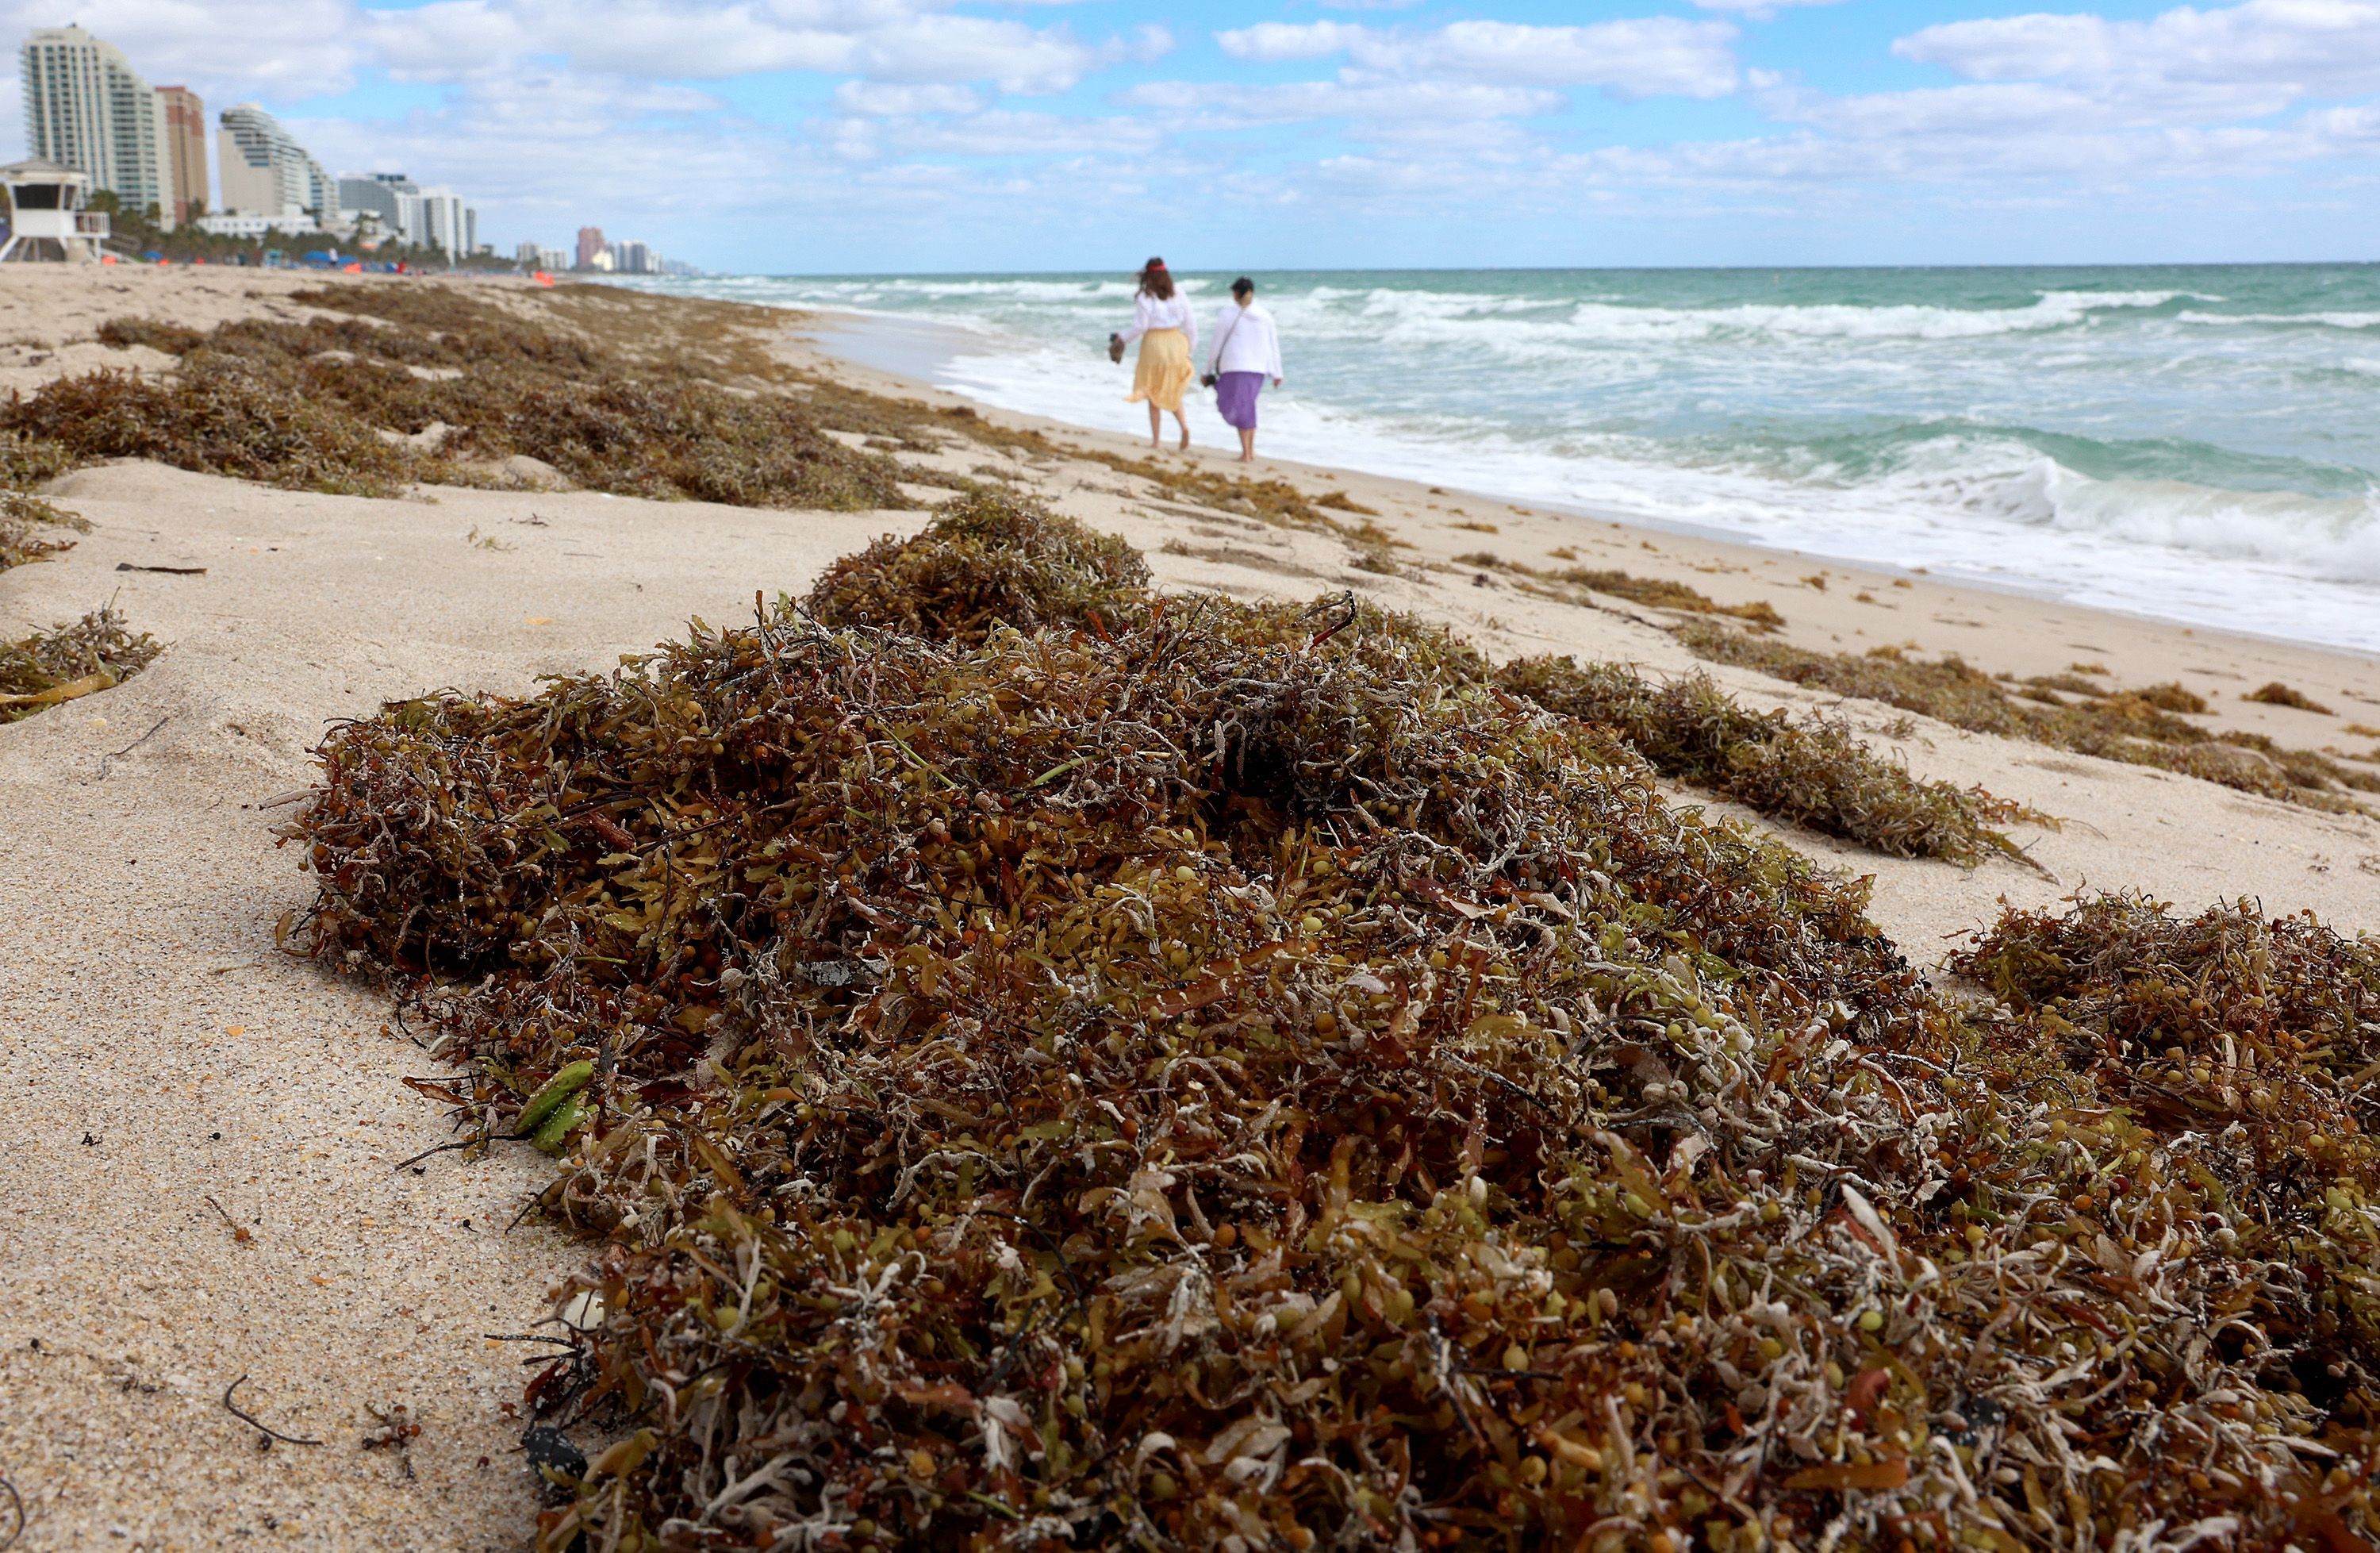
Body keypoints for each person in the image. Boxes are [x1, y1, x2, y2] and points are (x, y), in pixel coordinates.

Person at [1111, 258, 1197, 451]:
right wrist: (1190, 350)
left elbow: (1140, 326)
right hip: (1176, 342)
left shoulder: (1145, 296)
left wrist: (1122, 338)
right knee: (1173, 390)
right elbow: (1191, 325)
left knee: (1152, 391)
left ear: (1148, 275)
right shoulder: (1179, 293)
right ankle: (1184, 427)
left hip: (1155, 344)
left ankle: (1156, 441)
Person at [1204, 277, 1284, 463]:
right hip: (1257, 369)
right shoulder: (1265, 315)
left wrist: (1207, 369)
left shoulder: (1227, 314)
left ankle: (1246, 453)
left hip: (1233, 367)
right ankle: (1249, 451)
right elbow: (1273, 346)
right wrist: (1276, 372)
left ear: (1235, 293)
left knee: (1240, 408)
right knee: (1247, 406)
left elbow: (1215, 345)